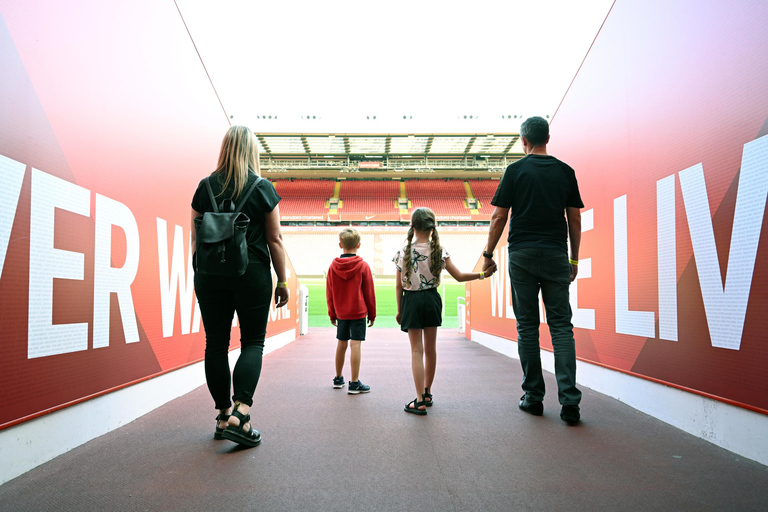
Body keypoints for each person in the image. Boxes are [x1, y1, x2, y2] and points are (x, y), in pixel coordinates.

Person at [191, 125, 289, 447]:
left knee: (215, 344)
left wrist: (202, 272)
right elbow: (274, 239)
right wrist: (283, 280)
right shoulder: (262, 188)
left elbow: (196, 238)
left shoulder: (204, 187)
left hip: (210, 275)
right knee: (252, 343)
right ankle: (241, 414)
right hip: (253, 273)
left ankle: (222, 416)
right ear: (252, 152)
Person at [481, 116, 583, 424]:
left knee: (527, 327)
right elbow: (574, 220)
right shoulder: (566, 172)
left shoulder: (515, 170)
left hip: (522, 254)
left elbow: (499, 217)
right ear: (548, 138)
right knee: (562, 327)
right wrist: (574, 259)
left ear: (523, 141)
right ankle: (569, 403)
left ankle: (534, 397)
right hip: (555, 254)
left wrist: (488, 254)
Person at [394, 207, 496, 415]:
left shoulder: (403, 252)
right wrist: (482, 275)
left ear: (412, 226)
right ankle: (428, 392)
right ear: (432, 227)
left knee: (416, 350)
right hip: (432, 299)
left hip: (411, 301)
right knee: (430, 350)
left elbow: (398, 286)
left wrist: (399, 310)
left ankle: (419, 401)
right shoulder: (439, 250)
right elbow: (459, 276)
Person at [326, 228, 376, 394]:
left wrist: (332, 313)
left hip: (341, 312)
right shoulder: (363, 266)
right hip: (358, 312)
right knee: (355, 345)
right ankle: (354, 383)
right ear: (359, 245)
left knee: (341, 344)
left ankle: (338, 378)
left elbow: (330, 292)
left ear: (340, 245)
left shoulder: (333, 267)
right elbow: (369, 292)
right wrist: (372, 314)